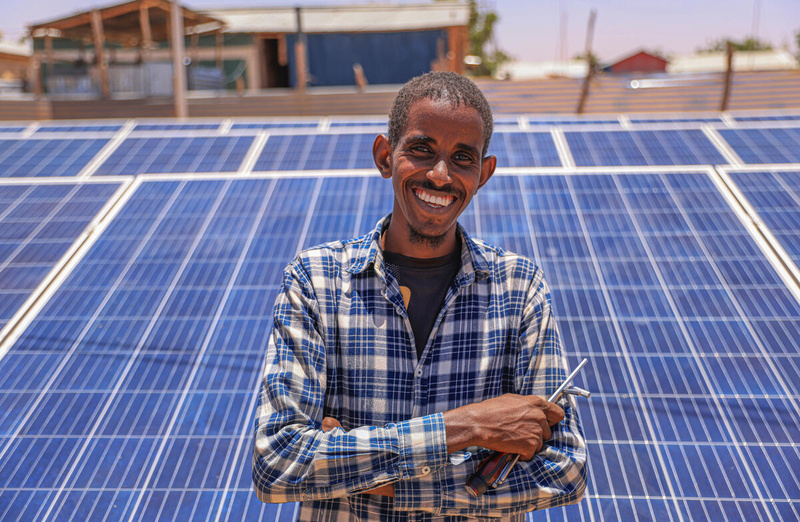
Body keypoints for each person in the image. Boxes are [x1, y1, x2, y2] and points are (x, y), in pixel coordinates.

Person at [252, 71, 587, 520]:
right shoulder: (317, 282)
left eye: (462, 157)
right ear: (385, 156)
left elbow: (564, 471)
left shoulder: (519, 289)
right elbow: (278, 463)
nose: (441, 174)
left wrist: (360, 468)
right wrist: (468, 428)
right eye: (422, 149)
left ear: (483, 173)